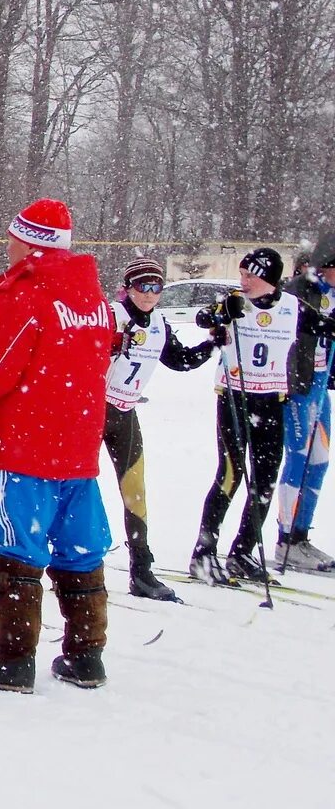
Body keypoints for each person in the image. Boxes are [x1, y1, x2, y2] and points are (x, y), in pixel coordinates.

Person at [0, 199, 114, 692]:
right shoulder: (92, 295)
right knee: (79, 547)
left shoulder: (24, 293)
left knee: (18, 549)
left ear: (28, 240)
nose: (8, 244)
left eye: (12, 236)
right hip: (79, 443)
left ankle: (14, 658)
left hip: (26, 444)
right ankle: (86, 654)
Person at [190, 248, 305, 584]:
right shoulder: (234, 301)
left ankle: (242, 552)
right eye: (241, 275)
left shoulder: (292, 306)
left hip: (272, 401)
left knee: (266, 480)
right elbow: (203, 318)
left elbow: (325, 326)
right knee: (230, 475)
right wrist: (219, 315)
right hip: (235, 398)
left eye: (249, 276)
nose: (243, 282)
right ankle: (203, 553)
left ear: (268, 279)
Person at [103, 257, 215, 601]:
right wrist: (109, 346)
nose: (150, 294)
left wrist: (212, 343)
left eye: (156, 288)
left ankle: (142, 571)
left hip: (124, 411)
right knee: (74, 485)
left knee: (135, 490)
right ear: (128, 287)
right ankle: (60, 559)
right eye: (143, 286)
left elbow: (179, 360)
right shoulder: (112, 315)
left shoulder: (159, 324)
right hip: (93, 408)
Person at [274, 234, 335, 573]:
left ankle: (300, 535)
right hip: (299, 386)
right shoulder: (300, 290)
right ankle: (285, 540)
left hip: (321, 385)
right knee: (297, 458)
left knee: (321, 461)